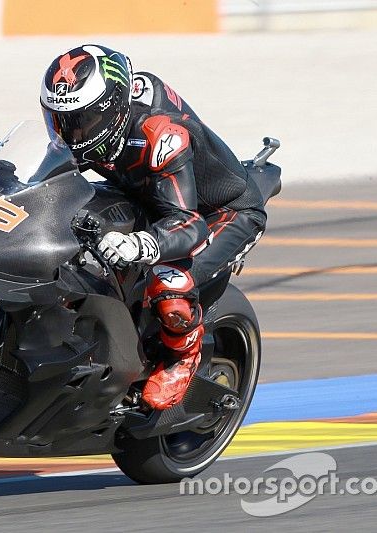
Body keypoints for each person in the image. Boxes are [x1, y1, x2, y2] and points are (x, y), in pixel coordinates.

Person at [40, 44, 267, 410]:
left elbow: (189, 224)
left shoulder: (161, 135)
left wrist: (141, 244)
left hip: (218, 212)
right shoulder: (96, 119)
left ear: (113, 107)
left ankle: (183, 356)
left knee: (168, 280)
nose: (73, 131)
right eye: (64, 119)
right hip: (147, 190)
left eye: (83, 120)